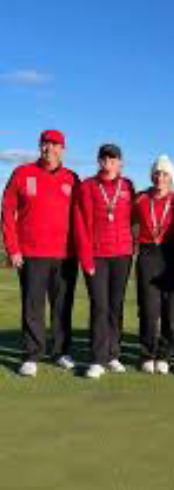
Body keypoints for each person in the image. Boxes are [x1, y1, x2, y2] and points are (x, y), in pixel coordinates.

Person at [1, 129, 79, 377]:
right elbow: (7, 212)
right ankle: (32, 354)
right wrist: (13, 248)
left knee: (62, 305)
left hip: (66, 254)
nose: (50, 149)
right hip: (31, 253)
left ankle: (60, 352)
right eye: (45, 144)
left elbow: (83, 217)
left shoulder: (72, 178)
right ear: (39, 146)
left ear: (62, 149)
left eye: (55, 145)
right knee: (33, 305)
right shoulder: (22, 173)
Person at [74, 144, 135, 379]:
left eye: (113, 158)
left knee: (115, 306)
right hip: (97, 255)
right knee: (99, 306)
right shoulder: (88, 186)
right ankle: (98, 358)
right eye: (104, 158)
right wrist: (86, 258)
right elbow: (80, 225)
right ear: (99, 161)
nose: (108, 162)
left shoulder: (128, 185)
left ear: (120, 162)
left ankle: (113, 355)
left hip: (122, 255)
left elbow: (135, 218)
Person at [133, 155, 174, 375]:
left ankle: (166, 353)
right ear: (152, 175)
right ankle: (147, 352)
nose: (160, 178)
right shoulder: (140, 198)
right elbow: (126, 221)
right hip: (147, 253)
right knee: (149, 307)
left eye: (165, 174)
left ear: (171, 178)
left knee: (170, 306)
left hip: (171, 253)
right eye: (157, 173)